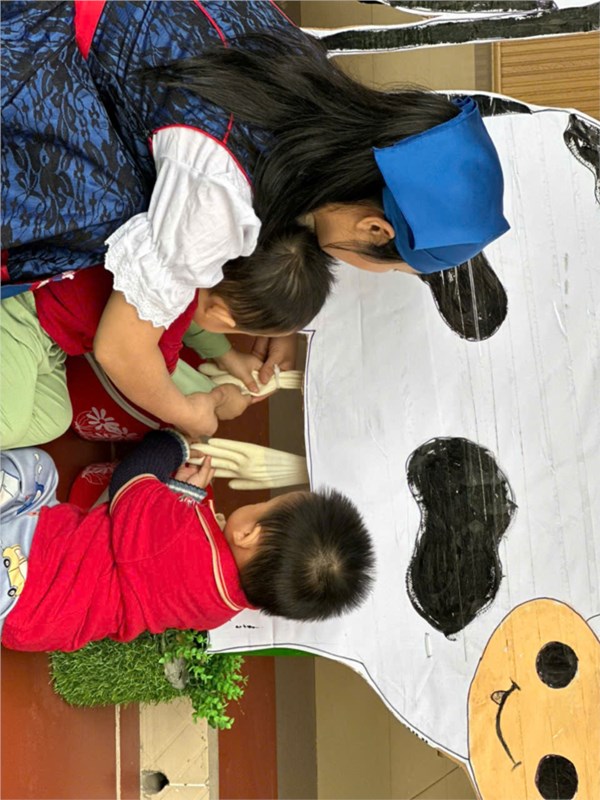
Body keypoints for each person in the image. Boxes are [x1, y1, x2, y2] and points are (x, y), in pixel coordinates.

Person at [2, 1, 509, 388]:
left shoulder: (303, 67)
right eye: (394, 268)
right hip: (28, 66)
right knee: (110, 208)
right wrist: (190, 415)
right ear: (375, 228)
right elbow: (120, 351)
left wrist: (276, 318)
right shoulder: (220, 189)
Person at [0, 430, 376, 652]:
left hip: (27, 568)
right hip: (39, 625)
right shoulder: (223, 607)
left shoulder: (180, 533)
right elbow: (160, 568)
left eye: (266, 503)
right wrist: (181, 493)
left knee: (36, 468)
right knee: (45, 483)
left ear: (248, 534)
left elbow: (132, 478)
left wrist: (173, 442)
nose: (259, 501)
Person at [0, 227, 334, 448]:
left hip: (52, 340)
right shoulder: (171, 304)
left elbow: (196, 322)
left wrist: (229, 357)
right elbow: (157, 376)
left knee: (54, 419)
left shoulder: (190, 265)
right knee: (9, 425)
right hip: (22, 315)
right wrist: (220, 401)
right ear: (223, 316)